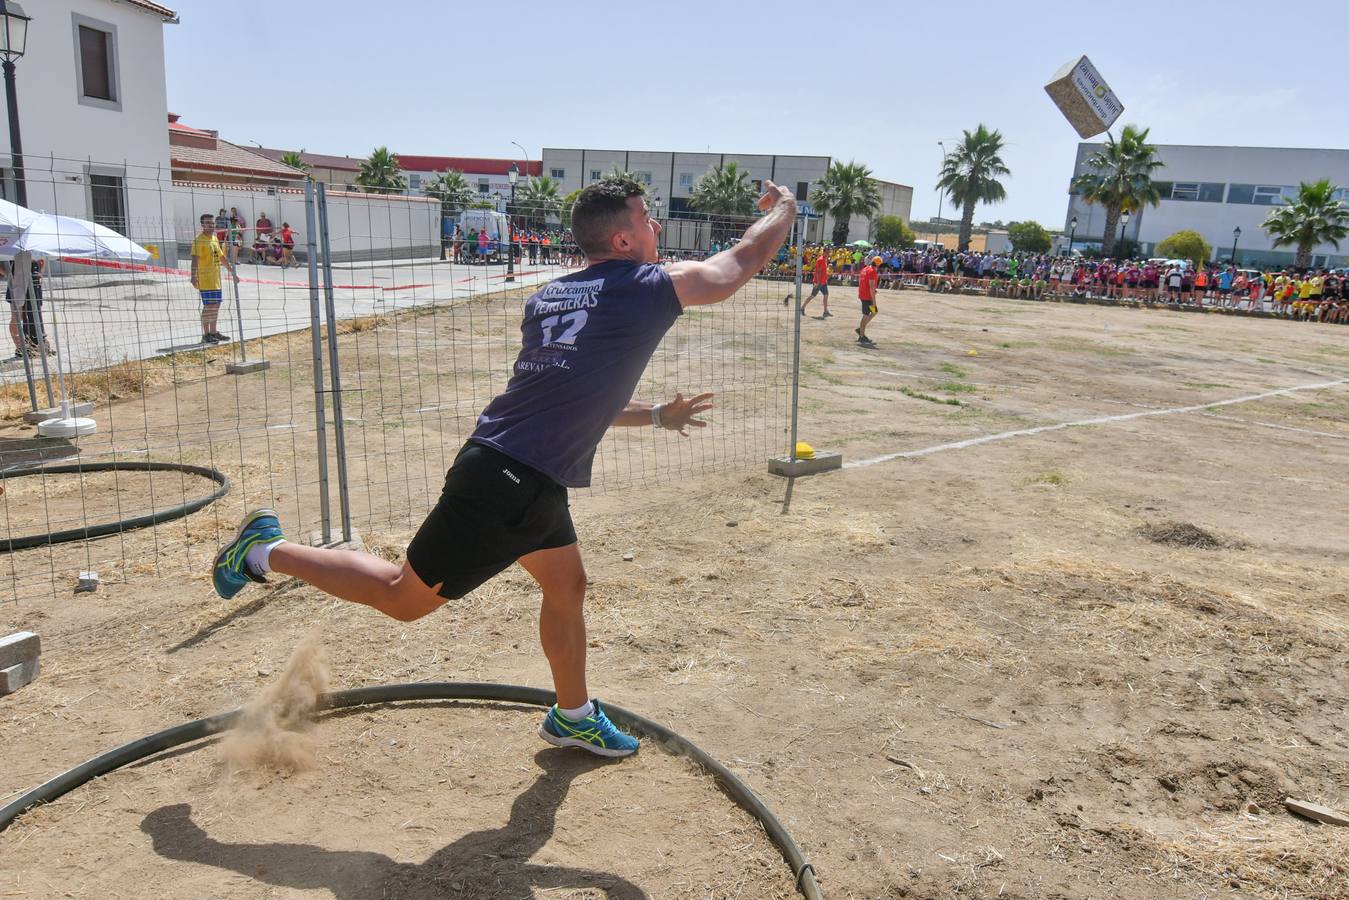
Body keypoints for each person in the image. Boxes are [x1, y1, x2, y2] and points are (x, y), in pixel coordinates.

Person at [211, 176, 798, 757]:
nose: (655, 228)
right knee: (402, 597)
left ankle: (573, 716)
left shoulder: (551, 297)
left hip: (522, 474)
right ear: (622, 242)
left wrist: (654, 417)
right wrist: (787, 209)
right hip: (508, 481)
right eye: (646, 219)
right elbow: (739, 262)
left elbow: (573, 394)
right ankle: (264, 550)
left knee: (566, 586)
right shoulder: (644, 288)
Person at [191, 212, 238, 343]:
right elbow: (194, 260)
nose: (211, 225)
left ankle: (213, 332)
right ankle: (206, 335)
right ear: (202, 225)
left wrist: (232, 272)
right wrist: (193, 277)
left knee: (216, 305)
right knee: (208, 306)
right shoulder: (198, 240)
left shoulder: (215, 238)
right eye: (208, 223)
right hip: (205, 279)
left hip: (216, 279)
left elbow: (222, 257)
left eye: (212, 223)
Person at [798, 246, 833, 317]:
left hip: (823, 281)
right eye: (827, 252)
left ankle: (825, 311)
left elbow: (822, 271)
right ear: (824, 252)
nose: (828, 254)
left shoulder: (825, 259)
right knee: (812, 295)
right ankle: (802, 308)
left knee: (826, 295)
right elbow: (818, 272)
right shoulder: (821, 260)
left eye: (829, 252)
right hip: (819, 282)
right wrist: (817, 282)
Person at [856, 255, 880, 346]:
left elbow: (862, 282)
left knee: (874, 312)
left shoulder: (865, 269)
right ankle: (861, 336)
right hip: (868, 297)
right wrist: (874, 300)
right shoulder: (872, 271)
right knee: (866, 315)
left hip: (863, 294)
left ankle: (860, 329)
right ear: (878, 265)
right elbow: (871, 287)